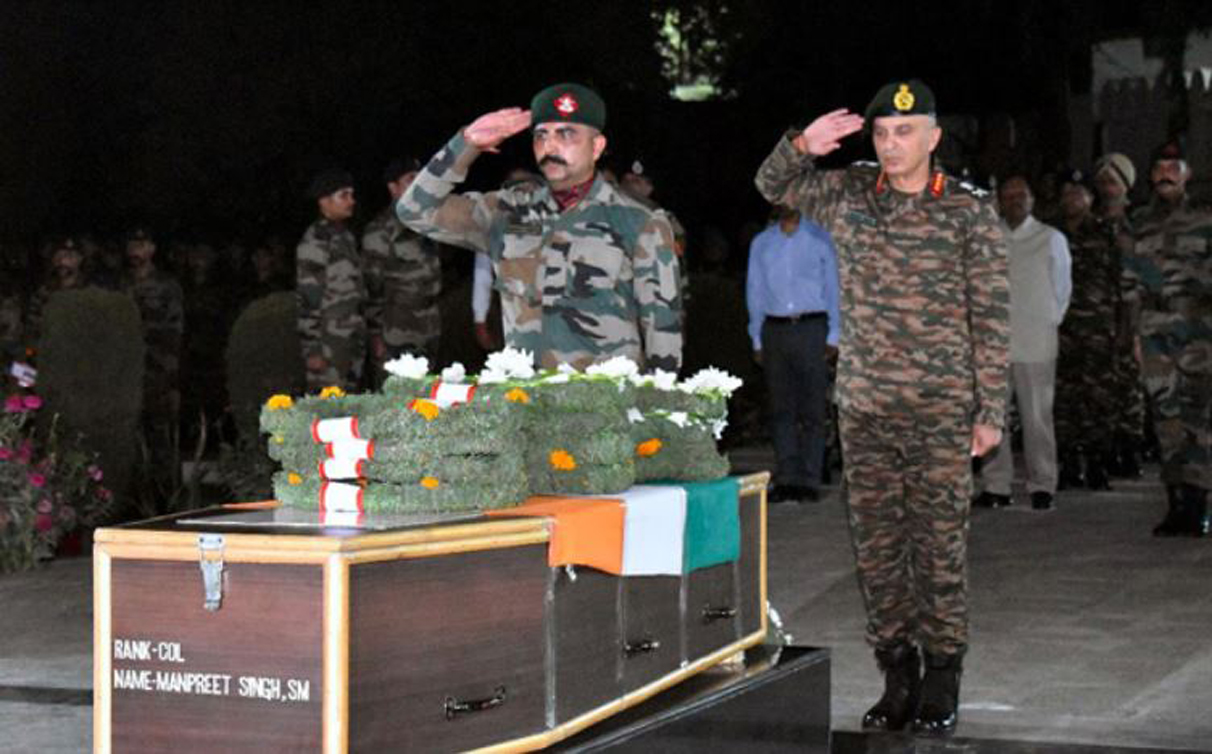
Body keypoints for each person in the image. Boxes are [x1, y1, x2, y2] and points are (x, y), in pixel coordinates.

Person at [754, 79, 1009, 736]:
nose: (892, 145)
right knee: (877, 552)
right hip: (866, 410)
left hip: (941, 410)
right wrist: (802, 145)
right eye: (882, 134)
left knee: (939, 550)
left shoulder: (968, 211)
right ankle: (897, 674)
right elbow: (771, 185)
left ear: (933, 137)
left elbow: (990, 315)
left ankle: (943, 673)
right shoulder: (851, 194)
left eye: (905, 132)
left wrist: (989, 411)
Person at [397, 83, 682, 371]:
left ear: (597, 147)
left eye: (566, 134)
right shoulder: (506, 212)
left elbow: (663, 327)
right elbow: (414, 210)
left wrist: (657, 394)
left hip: (605, 395)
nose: (550, 146)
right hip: (525, 394)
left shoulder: (639, 221)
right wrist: (466, 145)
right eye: (541, 135)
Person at [1124, 142, 1212, 537]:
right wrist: (1133, 333)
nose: (1165, 175)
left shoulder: (1205, 219)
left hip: (1198, 329)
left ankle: (1198, 503)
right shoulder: (1138, 223)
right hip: (1154, 329)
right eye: (1159, 168)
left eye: (1173, 168)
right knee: (1165, 416)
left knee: (1198, 416)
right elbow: (1129, 282)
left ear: (1187, 175)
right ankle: (1175, 502)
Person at [976, 175, 1070, 511]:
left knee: (1037, 418)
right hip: (993, 343)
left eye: (1022, 194)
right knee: (992, 417)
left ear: (1032, 199)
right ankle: (996, 485)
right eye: (1009, 195)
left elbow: (1062, 290)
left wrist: (1045, 322)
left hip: (1035, 341)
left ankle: (1042, 484)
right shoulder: (988, 237)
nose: (1015, 200)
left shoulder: (1050, 238)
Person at [745, 207, 840, 504]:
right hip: (775, 329)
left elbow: (833, 288)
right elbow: (755, 291)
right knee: (780, 408)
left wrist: (834, 334)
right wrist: (756, 337)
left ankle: (809, 478)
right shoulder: (762, 243)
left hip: (811, 325)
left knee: (812, 408)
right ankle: (787, 477)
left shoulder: (820, 238)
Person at [1054, 169, 1124, 490]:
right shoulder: (1050, 233)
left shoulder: (1105, 233)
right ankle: (1069, 462)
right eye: (1067, 193)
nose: (1072, 199)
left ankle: (1098, 463)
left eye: (1078, 193)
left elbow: (1120, 280)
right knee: (1064, 398)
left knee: (1099, 397)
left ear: (1090, 198)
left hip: (1098, 327)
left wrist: (1124, 326)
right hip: (1061, 327)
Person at [362, 158, 442, 380]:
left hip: (429, 327)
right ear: (393, 187)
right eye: (410, 179)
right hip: (396, 331)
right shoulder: (380, 230)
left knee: (427, 392)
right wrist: (376, 335)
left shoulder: (426, 224)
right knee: (395, 393)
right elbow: (370, 288)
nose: (419, 184)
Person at [1093, 152, 1147, 478]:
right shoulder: (1092, 223)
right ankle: (1105, 448)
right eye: (1102, 182)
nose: (1107, 188)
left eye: (1113, 182)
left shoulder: (1138, 224)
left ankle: (1130, 448)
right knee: (1101, 386)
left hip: (1131, 313)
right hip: (1096, 317)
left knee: (1130, 385)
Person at [121, 226, 185, 478]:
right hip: (126, 372)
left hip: (158, 372)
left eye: (141, 246)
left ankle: (166, 488)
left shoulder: (167, 285)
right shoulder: (120, 284)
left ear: (152, 249)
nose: (135, 251)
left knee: (160, 433)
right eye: (131, 246)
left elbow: (175, 332)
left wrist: (171, 378)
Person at [296, 169, 367, 393]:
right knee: (327, 407)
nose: (351, 201)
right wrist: (312, 349)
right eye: (344, 195)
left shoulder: (345, 237)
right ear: (324, 201)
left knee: (351, 404)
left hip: (351, 337)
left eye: (352, 195)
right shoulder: (315, 241)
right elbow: (308, 298)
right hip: (328, 343)